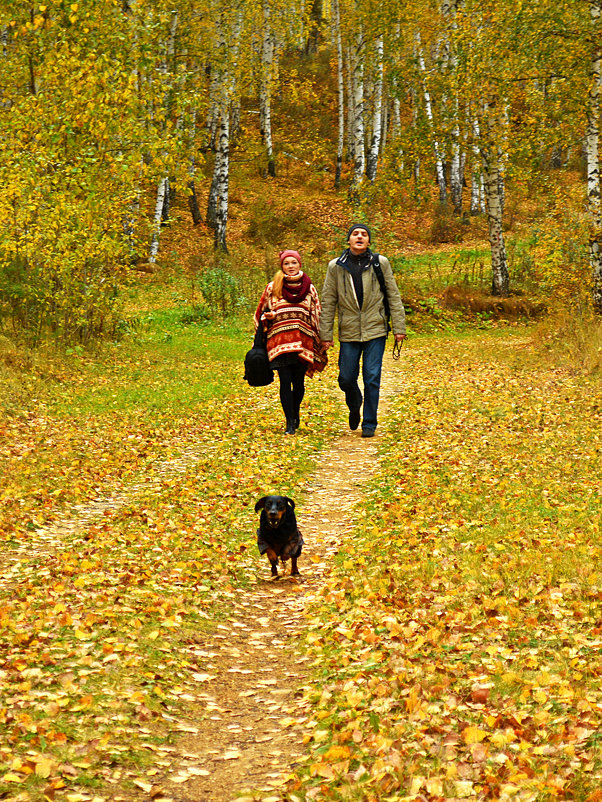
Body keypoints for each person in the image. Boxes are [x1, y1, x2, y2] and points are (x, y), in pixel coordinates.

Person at [319, 224, 406, 437]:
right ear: (348, 240)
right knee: (346, 378)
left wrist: (399, 326)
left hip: (375, 329)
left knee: (372, 377)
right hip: (348, 331)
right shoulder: (336, 266)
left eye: (364, 234)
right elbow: (328, 301)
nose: (359, 237)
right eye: (355, 234)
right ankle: (355, 401)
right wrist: (325, 335)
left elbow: (393, 295)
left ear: (368, 241)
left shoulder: (379, 263)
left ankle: (369, 423)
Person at [254, 250, 327, 435]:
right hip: (278, 343)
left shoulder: (309, 287)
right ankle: (289, 423)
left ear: (299, 264)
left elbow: (316, 312)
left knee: (299, 382)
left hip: (303, 342)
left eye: (294, 262)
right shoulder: (273, 287)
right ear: (282, 266)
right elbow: (260, 311)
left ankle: (295, 413)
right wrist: (267, 317)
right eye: (286, 263)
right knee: (285, 381)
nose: (290, 266)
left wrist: (321, 337)